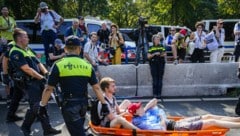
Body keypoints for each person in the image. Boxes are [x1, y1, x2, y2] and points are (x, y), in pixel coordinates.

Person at [39, 37, 110, 136]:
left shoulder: (58, 65)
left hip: (69, 105)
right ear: (79, 49)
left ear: (65, 49)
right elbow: (97, 88)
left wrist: (42, 105)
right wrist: (104, 104)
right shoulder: (87, 65)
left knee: (78, 133)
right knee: (77, 130)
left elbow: (48, 89)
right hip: (83, 104)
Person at [9, 28, 61, 136]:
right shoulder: (15, 51)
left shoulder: (27, 49)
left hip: (37, 80)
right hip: (29, 82)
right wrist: (41, 77)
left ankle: (47, 129)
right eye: (25, 37)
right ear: (19, 39)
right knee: (36, 106)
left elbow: (39, 63)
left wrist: (46, 73)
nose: (28, 38)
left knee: (43, 104)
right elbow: (26, 69)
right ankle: (25, 127)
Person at [128, 98, 240, 131]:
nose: (142, 107)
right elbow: (161, 130)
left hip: (176, 123)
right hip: (175, 128)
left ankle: (237, 120)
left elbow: (154, 100)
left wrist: (146, 108)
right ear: (136, 112)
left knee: (208, 116)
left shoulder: (144, 112)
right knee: (211, 122)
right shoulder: (141, 122)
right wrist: (161, 117)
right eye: (139, 107)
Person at [34, 2, 64, 66]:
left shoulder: (51, 12)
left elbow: (62, 19)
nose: (44, 10)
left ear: (47, 7)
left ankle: (57, 61)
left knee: (55, 47)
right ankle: (48, 63)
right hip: (44, 32)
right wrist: (38, 13)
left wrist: (57, 26)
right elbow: (35, 22)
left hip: (52, 31)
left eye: (45, 9)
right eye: (42, 9)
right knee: (46, 48)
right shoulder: (40, 14)